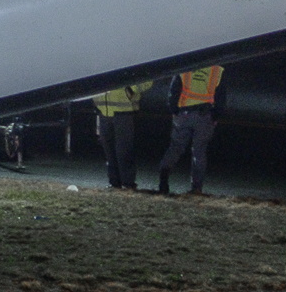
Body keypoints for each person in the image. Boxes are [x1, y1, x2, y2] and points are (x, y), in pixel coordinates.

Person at [155, 63, 225, 197]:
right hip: (204, 116)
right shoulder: (217, 70)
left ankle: (163, 183)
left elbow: (173, 91)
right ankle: (196, 189)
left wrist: (174, 111)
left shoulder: (185, 66)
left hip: (184, 115)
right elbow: (221, 97)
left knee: (175, 147)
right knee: (199, 151)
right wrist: (215, 116)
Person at [92, 80, 153, 191]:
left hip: (124, 113)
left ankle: (128, 184)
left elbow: (148, 80)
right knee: (109, 150)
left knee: (124, 151)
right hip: (103, 112)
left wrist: (131, 89)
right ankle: (115, 183)